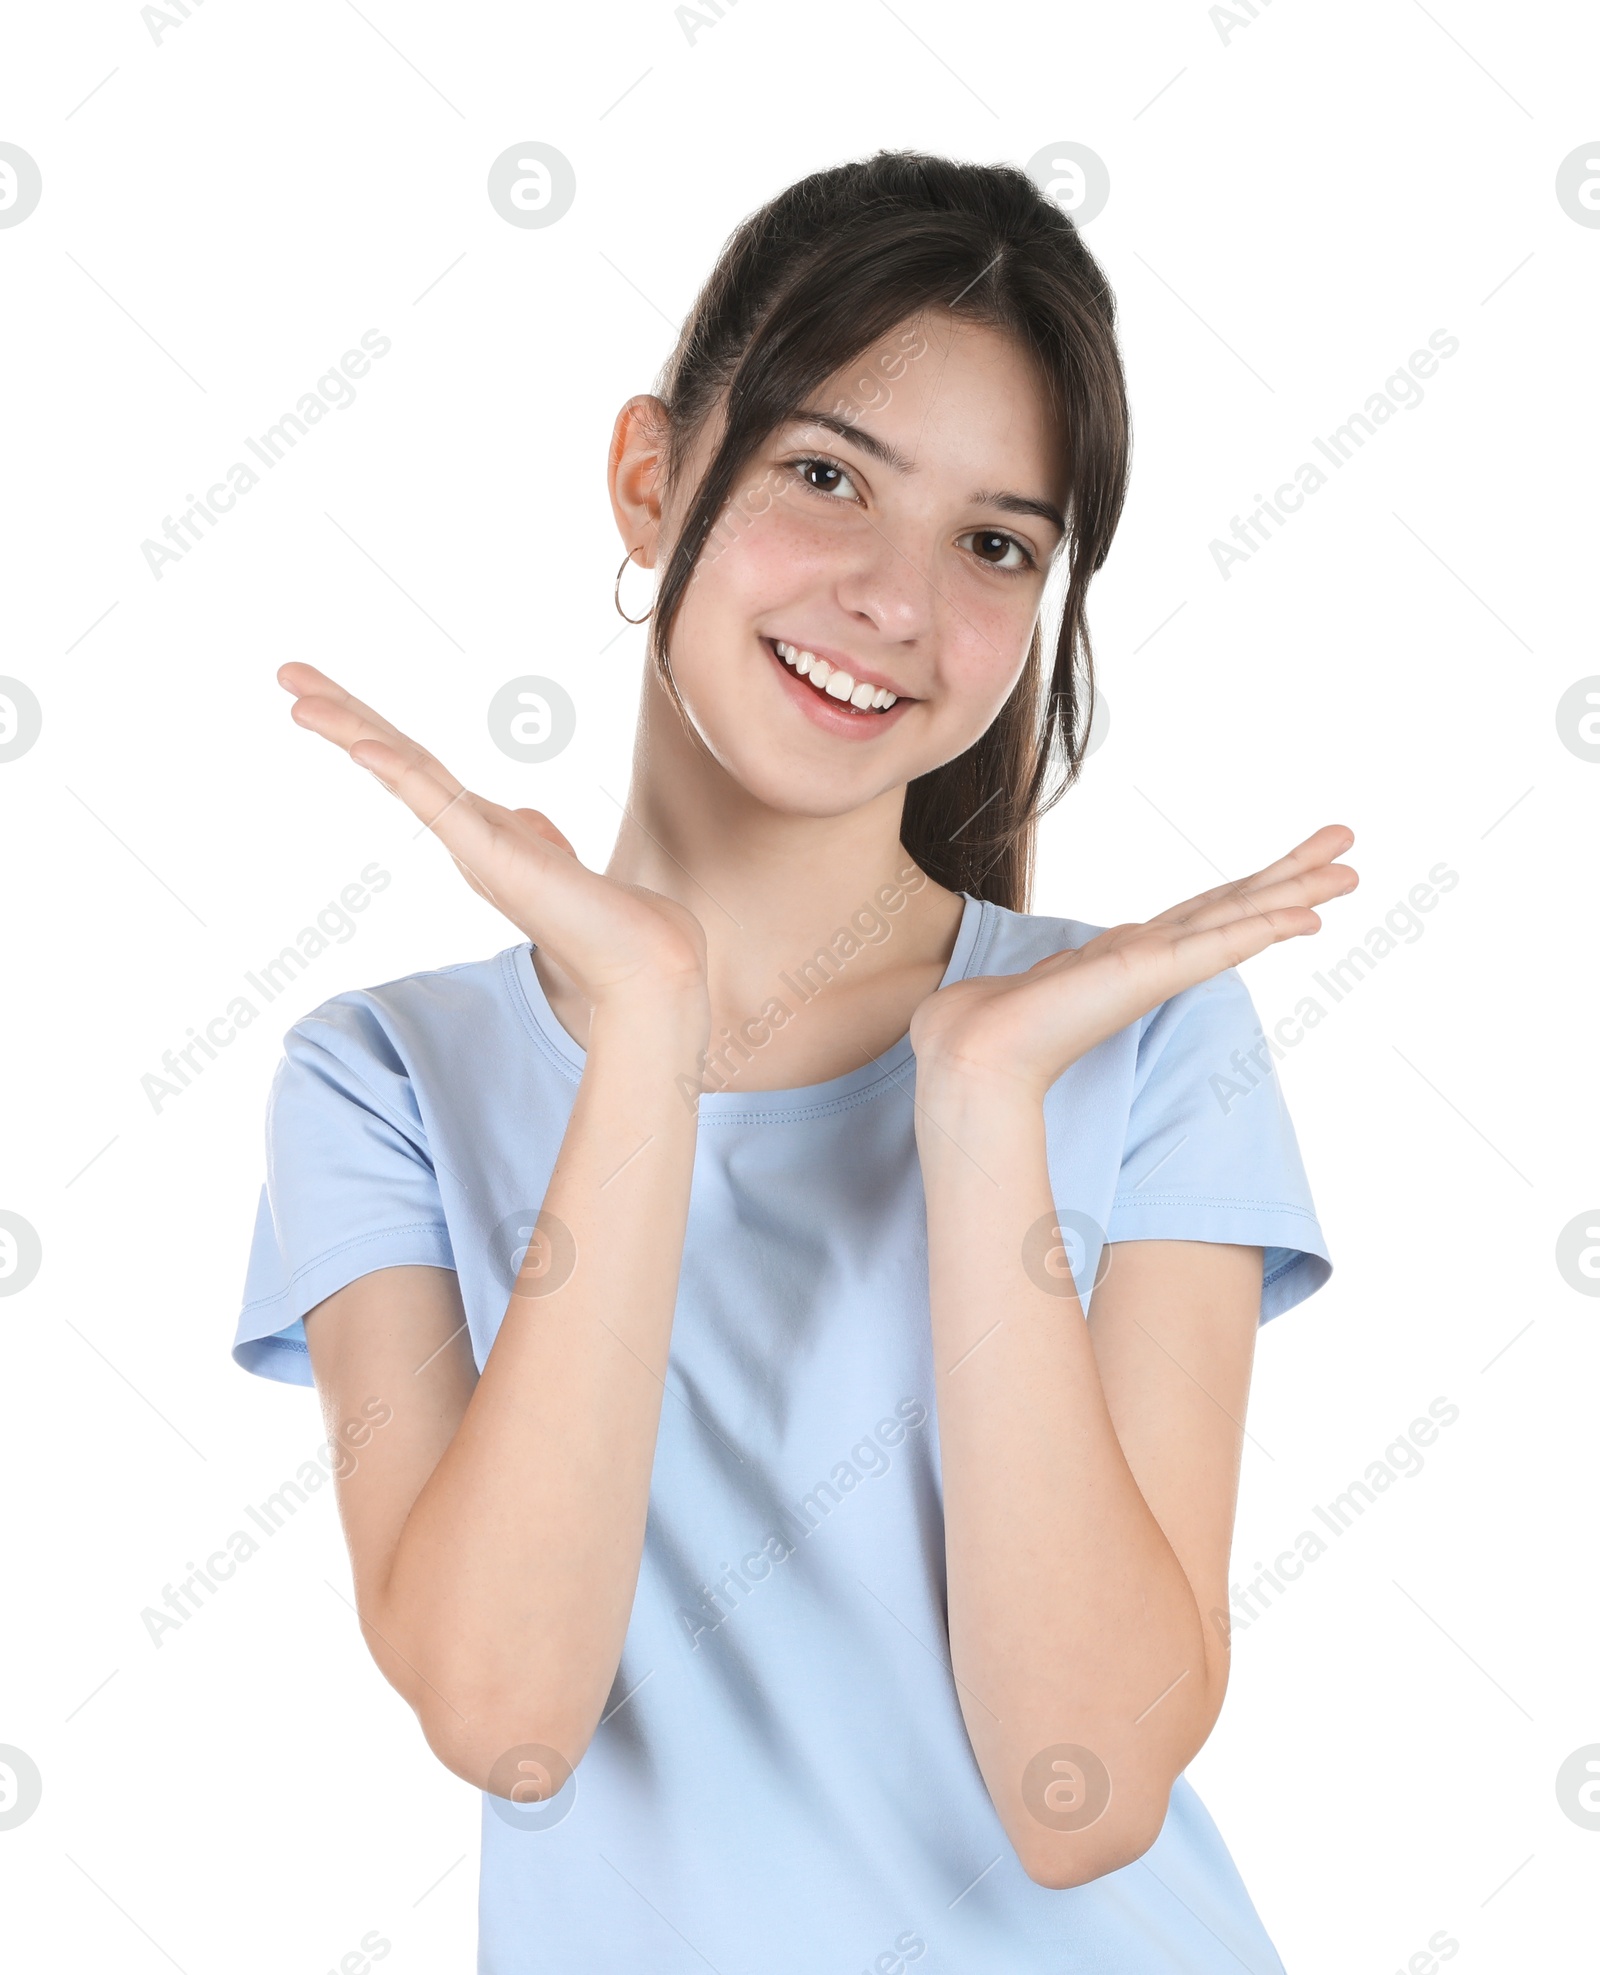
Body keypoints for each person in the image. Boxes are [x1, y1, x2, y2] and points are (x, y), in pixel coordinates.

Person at [232, 150, 1356, 1972]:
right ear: (653, 478)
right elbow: (510, 1709)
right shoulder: (383, 1077)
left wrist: (983, 1108)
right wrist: (650, 1028)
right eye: (827, 475)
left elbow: (1087, 1794)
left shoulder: (1138, 1037)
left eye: (997, 543)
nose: (896, 602)